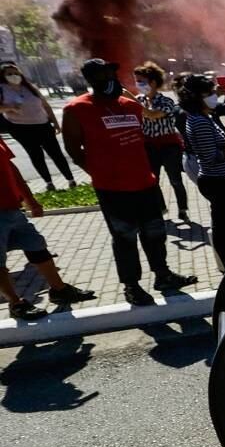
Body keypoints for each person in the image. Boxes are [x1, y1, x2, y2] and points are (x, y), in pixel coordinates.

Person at [62, 58, 196, 306]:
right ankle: (131, 286)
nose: (108, 79)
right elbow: (72, 147)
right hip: (113, 189)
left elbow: (142, 135)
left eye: (111, 73)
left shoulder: (130, 105)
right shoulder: (77, 109)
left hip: (145, 183)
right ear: (90, 80)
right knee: (125, 238)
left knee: (155, 233)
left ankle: (163, 275)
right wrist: (96, 171)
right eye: (101, 75)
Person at [0, 135, 95, 319]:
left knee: (36, 245)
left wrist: (29, 199)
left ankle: (59, 290)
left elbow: (11, 168)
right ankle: (16, 303)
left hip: (12, 208)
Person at [179, 73, 225, 269]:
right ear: (196, 97)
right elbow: (211, 158)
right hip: (220, 182)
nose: (213, 96)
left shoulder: (203, 117)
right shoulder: (199, 121)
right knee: (224, 230)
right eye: (208, 93)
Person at [0, 61, 77, 191]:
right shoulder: (2, 89)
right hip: (20, 128)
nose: (13, 75)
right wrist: (10, 107)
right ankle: (48, 182)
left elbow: (46, 106)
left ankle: (70, 179)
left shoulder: (30, 87)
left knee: (56, 153)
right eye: (9, 74)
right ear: (3, 76)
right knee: (36, 155)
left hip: (43, 125)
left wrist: (55, 123)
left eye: (15, 73)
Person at [132, 61, 189, 222]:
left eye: (142, 81)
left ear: (153, 82)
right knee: (152, 180)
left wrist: (132, 102)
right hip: (149, 146)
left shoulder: (166, 101)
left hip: (169, 146)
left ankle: (183, 209)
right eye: (137, 81)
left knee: (175, 179)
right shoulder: (139, 100)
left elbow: (152, 115)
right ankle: (161, 207)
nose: (138, 84)